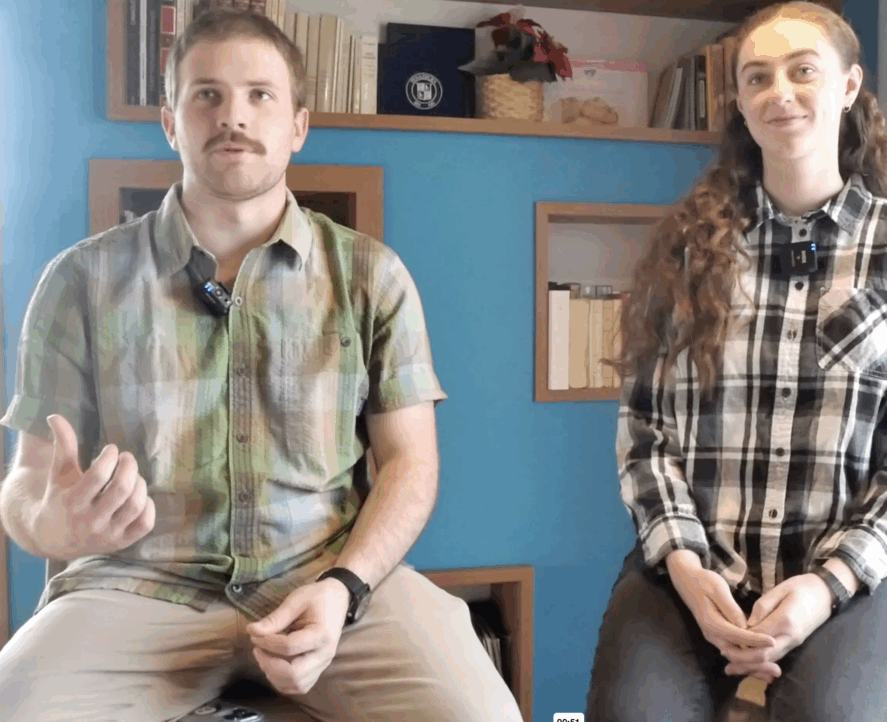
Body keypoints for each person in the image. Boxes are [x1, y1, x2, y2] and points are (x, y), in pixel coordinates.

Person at [0, 9, 521, 722]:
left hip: (327, 580)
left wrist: (344, 587)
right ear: (170, 122)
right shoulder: (77, 281)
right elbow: (25, 485)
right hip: (134, 588)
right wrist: (51, 524)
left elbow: (411, 465)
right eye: (206, 95)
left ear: (298, 125)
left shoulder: (374, 276)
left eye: (260, 95)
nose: (233, 116)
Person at [585, 2, 887, 721]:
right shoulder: (688, 250)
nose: (780, 93)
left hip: (862, 573)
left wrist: (829, 583)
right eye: (758, 77)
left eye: (803, 71)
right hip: (698, 564)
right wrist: (683, 562)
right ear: (739, 102)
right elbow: (644, 428)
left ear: (849, 86)